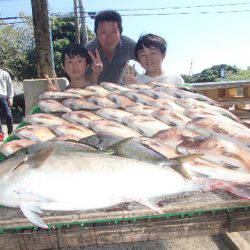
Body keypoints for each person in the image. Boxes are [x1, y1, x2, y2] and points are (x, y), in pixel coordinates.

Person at [85, 10, 136, 84]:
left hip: (117, 91)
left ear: (120, 33)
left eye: (113, 32)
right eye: (103, 32)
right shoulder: (88, 50)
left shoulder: (128, 45)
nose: (109, 37)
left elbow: (148, 56)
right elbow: (79, 80)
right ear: (96, 33)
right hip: (92, 91)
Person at [0, 68, 14, 141]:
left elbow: (10, 86)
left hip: (3, 97)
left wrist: (10, 97)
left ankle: (11, 134)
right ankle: (0, 134)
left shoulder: (4, 73)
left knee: (9, 116)